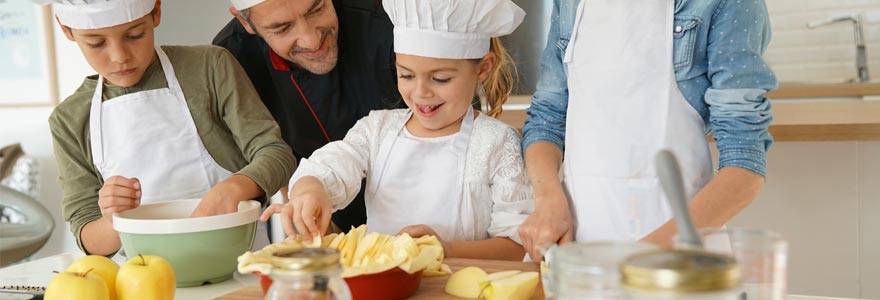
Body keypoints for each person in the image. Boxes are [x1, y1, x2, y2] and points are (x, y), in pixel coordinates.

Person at [261, 0, 534, 261]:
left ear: (483, 69)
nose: (421, 92)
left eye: (441, 79)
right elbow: (333, 164)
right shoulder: (377, 130)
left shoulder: (497, 142)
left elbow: (515, 244)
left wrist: (443, 250)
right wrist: (311, 190)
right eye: (406, 75)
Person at [518, 0, 777, 261]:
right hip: (576, 251)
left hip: (678, 257)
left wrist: (641, 258)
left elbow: (745, 164)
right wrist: (548, 200)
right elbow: (547, 118)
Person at [45, 0, 296, 256]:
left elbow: (277, 154)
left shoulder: (209, 67)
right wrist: (113, 219)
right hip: (142, 282)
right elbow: (88, 238)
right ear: (66, 29)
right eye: (96, 43)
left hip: (239, 269)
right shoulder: (69, 119)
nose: (120, 57)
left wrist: (235, 187)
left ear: (156, 10)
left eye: (135, 35)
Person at [213, 0, 405, 232]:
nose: (311, 40)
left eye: (316, 9)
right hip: (319, 208)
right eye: (282, 28)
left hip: (418, 207)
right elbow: (273, 146)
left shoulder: (388, 20)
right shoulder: (235, 54)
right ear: (245, 22)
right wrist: (311, 223)